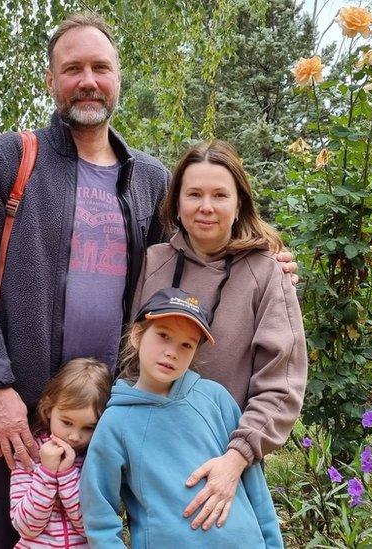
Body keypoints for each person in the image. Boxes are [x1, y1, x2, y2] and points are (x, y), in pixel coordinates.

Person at [0, 13, 299, 546]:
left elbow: (196, 247)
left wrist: (263, 250)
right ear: (51, 79)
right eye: (73, 68)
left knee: (99, 535)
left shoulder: (150, 179)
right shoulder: (10, 159)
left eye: (100, 67)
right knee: (0, 535)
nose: (88, 79)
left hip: (111, 414)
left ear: (118, 77)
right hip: (20, 404)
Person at [131, 140, 308, 532]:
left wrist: (235, 460)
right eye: (193, 194)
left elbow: (282, 385)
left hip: (225, 465)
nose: (205, 207)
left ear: (239, 202)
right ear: (175, 203)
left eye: (219, 195)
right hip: (154, 462)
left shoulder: (267, 272)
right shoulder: (154, 262)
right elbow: (130, 357)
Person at [80, 287, 284, 548]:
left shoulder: (216, 398)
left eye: (186, 344)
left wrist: (273, 543)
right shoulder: (116, 422)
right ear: (137, 335)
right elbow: (98, 512)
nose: (172, 352)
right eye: (163, 336)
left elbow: (255, 485)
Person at [9, 358, 111, 548]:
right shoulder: (29, 455)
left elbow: (90, 526)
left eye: (88, 427)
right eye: (67, 422)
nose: (74, 436)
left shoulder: (94, 459)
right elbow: (26, 527)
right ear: (48, 409)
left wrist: (67, 475)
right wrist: (46, 473)